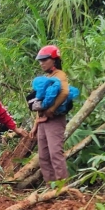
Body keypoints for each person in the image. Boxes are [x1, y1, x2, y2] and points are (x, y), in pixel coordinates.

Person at [29, 45, 78, 182]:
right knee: (43, 156)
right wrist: (35, 125)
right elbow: (40, 103)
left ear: (54, 60)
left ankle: (62, 187)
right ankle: (50, 186)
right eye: (40, 61)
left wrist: (52, 109)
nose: (42, 63)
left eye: (45, 60)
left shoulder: (59, 75)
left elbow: (65, 92)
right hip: (43, 121)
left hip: (54, 120)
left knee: (55, 153)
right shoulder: (49, 76)